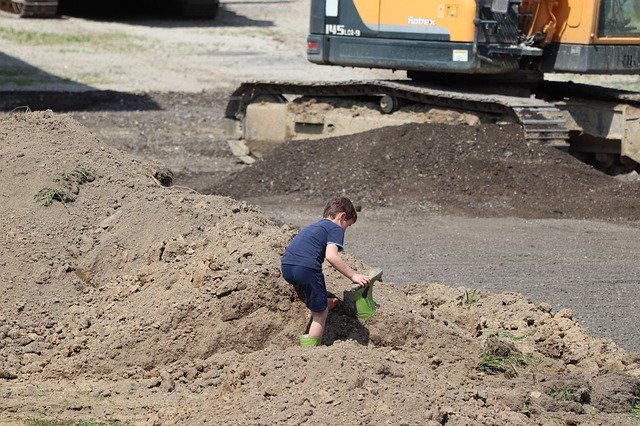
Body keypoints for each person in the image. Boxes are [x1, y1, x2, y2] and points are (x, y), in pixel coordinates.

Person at [281, 196, 370, 347]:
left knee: (309, 287)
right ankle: (311, 347)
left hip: (287, 266)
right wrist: (353, 275)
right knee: (321, 313)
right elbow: (331, 256)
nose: (345, 229)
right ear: (342, 217)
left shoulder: (314, 226)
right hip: (306, 268)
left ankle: (321, 301)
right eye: (347, 225)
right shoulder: (335, 228)